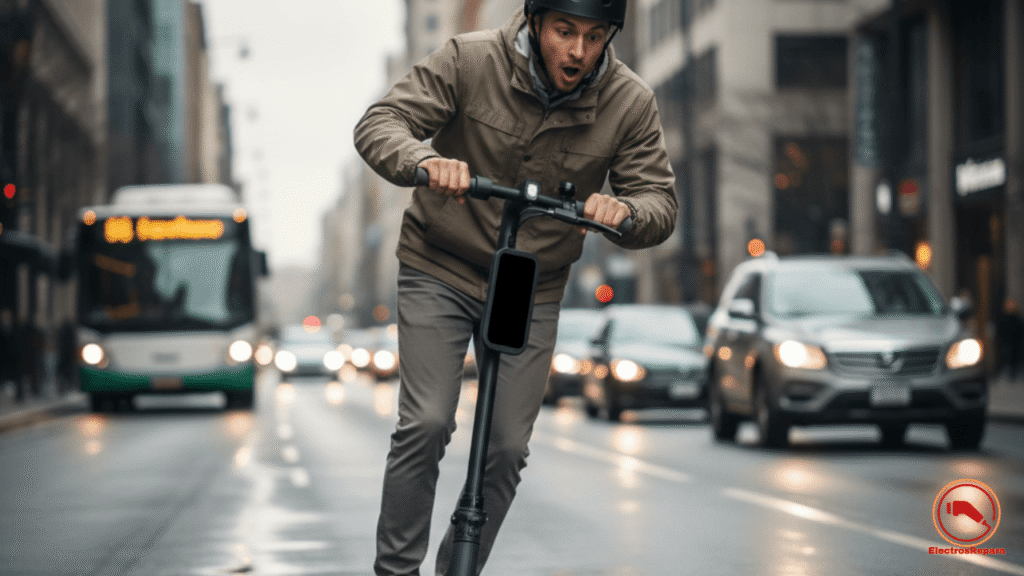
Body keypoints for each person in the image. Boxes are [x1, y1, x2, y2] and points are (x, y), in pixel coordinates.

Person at [353, 0, 677, 573]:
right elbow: (380, 125)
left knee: (505, 449)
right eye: (564, 31)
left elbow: (659, 202)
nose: (579, 51)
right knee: (427, 421)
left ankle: (459, 569)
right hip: (441, 264)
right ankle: (396, 570)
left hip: (531, 284)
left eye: (595, 36)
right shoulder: (469, 60)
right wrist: (425, 161)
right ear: (534, 21)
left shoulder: (630, 102)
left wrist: (624, 210)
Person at [995, 297, 1024, 381]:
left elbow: (1020, 330)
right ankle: (1006, 372)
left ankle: (1011, 373)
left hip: (1013, 343)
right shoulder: (1005, 319)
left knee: (1011, 358)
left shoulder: (1016, 319)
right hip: (1008, 342)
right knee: (1006, 357)